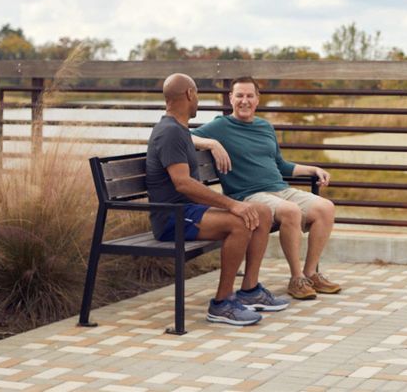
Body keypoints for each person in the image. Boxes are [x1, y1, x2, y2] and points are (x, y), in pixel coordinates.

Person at [146, 73, 289, 327]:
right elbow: (183, 183)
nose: (198, 99)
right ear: (190, 94)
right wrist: (232, 204)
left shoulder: (179, 129)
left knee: (263, 212)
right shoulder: (170, 133)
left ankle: (250, 290)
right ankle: (222, 303)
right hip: (172, 218)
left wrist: (211, 144)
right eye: (197, 94)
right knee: (240, 222)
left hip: (189, 211)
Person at [192, 76, 342, 300]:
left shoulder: (265, 126)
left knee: (326, 208)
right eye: (239, 95)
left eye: (249, 96)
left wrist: (312, 169)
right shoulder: (220, 126)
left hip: (280, 189)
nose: (244, 101)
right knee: (291, 211)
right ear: (231, 98)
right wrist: (212, 143)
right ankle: (296, 278)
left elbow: (281, 165)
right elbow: (182, 136)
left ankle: (311, 273)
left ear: (257, 99)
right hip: (249, 196)